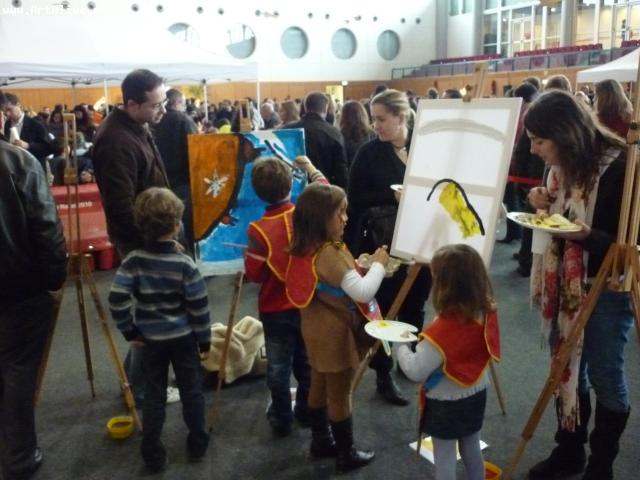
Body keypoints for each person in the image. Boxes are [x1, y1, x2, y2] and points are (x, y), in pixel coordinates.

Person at [524, 90, 630, 480]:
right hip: (566, 283)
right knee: (567, 366)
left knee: (604, 373)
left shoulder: (621, 166)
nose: (534, 150)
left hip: (607, 286)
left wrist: (586, 236)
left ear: (565, 134)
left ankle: (601, 467)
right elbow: (555, 209)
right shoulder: (562, 166)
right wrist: (540, 199)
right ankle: (570, 451)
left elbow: (628, 245)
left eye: (539, 141)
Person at [285, 183, 389, 473]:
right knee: (341, 393)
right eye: (339, 213)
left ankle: (321, 441)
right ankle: (346, 453)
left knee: (319, 383)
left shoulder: (307, 246)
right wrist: (379, 265)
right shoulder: (329, 253)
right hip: (335, 335)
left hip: (315, 329)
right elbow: (363, 292)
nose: (345, 219)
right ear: (320, 218)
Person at [108, 187, 211, 473]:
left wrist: (130, 331)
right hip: (184, 339)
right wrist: (204, 340)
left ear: (140, 224)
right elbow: (199, 306)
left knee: (154, 396)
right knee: (192, 391)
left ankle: (152, 452)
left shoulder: (133, 261)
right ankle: (198, 442)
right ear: (177, 225)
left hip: (149, 340)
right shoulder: (185, 264)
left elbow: (117, 299)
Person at [92, 69, 178, 404]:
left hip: (152, 235)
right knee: (152, 317)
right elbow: (121, 207)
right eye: (156, 105)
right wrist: (155, 244)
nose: (162, 110)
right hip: (141, 241)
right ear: (131, 104)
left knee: (153, 314)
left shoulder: (134, 127)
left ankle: (136, 383)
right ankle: (142, 389)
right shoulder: (115, 140)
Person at [346, 88, 432, 406]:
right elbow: (354, 199)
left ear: (401, 116)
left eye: (381, 119)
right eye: (374, 119)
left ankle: (409, 356)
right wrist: (390, 195)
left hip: (422, 242)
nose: (375, 125)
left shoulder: (424, 147)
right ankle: (383, 372)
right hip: (383, 246)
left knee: (416, 303)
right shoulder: (368, 153)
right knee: (384, 308)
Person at [396, 244, 500, 480]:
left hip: (446, 403)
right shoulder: (485, 311)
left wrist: (400, 345)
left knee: (445, 459)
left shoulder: (440, 333)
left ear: (444, 286)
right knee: (472, 448)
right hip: (477, 392)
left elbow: (415, 370)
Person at [0, 136, 68, 480]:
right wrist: (55, 279)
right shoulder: (18, 161)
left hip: (17, 284)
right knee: (18, 370)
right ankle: (19, 456)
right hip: (18, 286)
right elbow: (46, 227)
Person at [244, 156, 327, 438]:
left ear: (257, 191)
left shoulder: (258, 230)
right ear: (291, 182)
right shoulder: (306, 214)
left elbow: (255, 274)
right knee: (306, 363)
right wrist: (312, 169)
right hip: (308, 303)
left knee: (278, 368)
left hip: (275, 309)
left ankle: (281, 419)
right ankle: (305, 409)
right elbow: (327, 192)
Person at [151, 88, 198, 257]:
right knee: (187, 229)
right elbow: (196, 152)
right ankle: (188, 262)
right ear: (177, 102)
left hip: (159, 185)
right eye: (183, 103)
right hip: (183, 182)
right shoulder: (184, 121)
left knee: (166, 229)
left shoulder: (152, 122)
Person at [510, 82, 544, 278]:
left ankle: (526, 260)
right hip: (531, 178)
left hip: (532, 177)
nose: (533, 148)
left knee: (531, 222)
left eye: (538, 142)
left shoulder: (532, 116)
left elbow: (524, 150)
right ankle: (526, 258)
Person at [285, 92, 349, 188]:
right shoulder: (334, 133)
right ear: (326, 108)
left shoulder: (287, 130)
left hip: (294, 189)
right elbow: (341, 171)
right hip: (324, 189)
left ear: (305, 107)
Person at [2, 93, 54, 172]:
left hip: (34, 171)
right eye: (4, 111)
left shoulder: (36, 124)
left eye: (9, 109)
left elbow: (48, 148)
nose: (7, 114)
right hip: (15, 170)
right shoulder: (6, 124)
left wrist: (28, 145)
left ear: (18, 105)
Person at [339, 100, 375, 168]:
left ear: (343, 116)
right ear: (363, 115)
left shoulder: (339, 136)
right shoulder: (373, 134)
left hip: (349, 172)